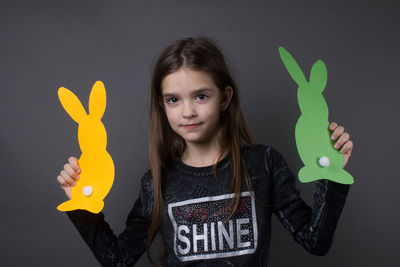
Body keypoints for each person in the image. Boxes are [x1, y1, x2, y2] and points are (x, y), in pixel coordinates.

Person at [56, 37, 354, 267]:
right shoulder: (157, 183)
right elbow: (117, 259)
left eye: (200, 96)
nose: (187, 111)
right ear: (162, 106)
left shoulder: (263, 164)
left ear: (224, 98)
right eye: (173, 100)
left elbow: (315, 241)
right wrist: (80, 205)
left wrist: (332, 173)